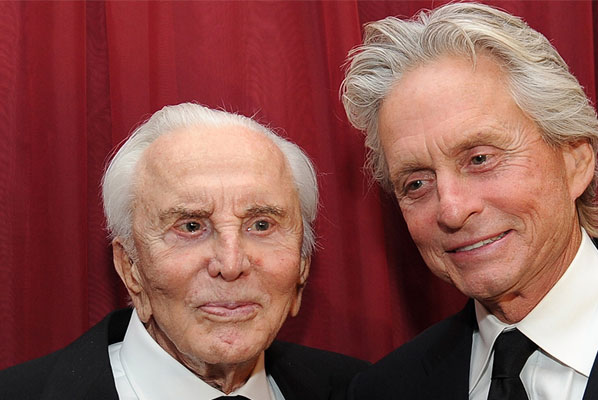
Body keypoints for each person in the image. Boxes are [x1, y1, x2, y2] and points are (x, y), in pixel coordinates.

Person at [341, 3, 598, 399]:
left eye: (480, 159)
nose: (452, 210)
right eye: (417, 183)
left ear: (575, 161)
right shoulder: (383, 390)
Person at [0, 103, 367, 399]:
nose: (231, 264)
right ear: (131, 268)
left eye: (261, 225)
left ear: (302, 266)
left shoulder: (364, 390)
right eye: (191, 227)